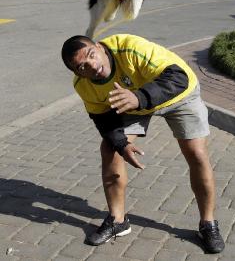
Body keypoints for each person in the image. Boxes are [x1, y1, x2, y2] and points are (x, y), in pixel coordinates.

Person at [61, 33, 225, 254]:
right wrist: (121, 144)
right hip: (133, 102)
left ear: (99, 47)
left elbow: (178, 77)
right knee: (109, 149)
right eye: (82, 67)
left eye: (91, 55)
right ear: (76, 72)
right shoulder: (84, 85)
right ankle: (118, 221)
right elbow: (103, 119)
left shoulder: (130, 48)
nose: (92, 66)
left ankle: (208, 224)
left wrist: (138, 98)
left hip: (178, 94)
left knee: (196, 152)